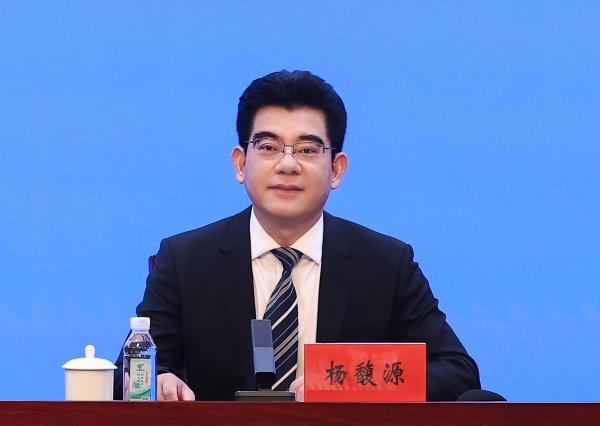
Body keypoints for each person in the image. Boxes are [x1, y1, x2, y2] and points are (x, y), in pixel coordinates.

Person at [113, 70, 480, 401]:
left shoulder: (385, 265)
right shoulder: (186, 261)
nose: (287, 165)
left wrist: (347, 384)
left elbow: (456, 372)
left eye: (307, 150)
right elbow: (125, 375)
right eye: (268, 148)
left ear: (336, 170)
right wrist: (156, 380)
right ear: (241, 164)